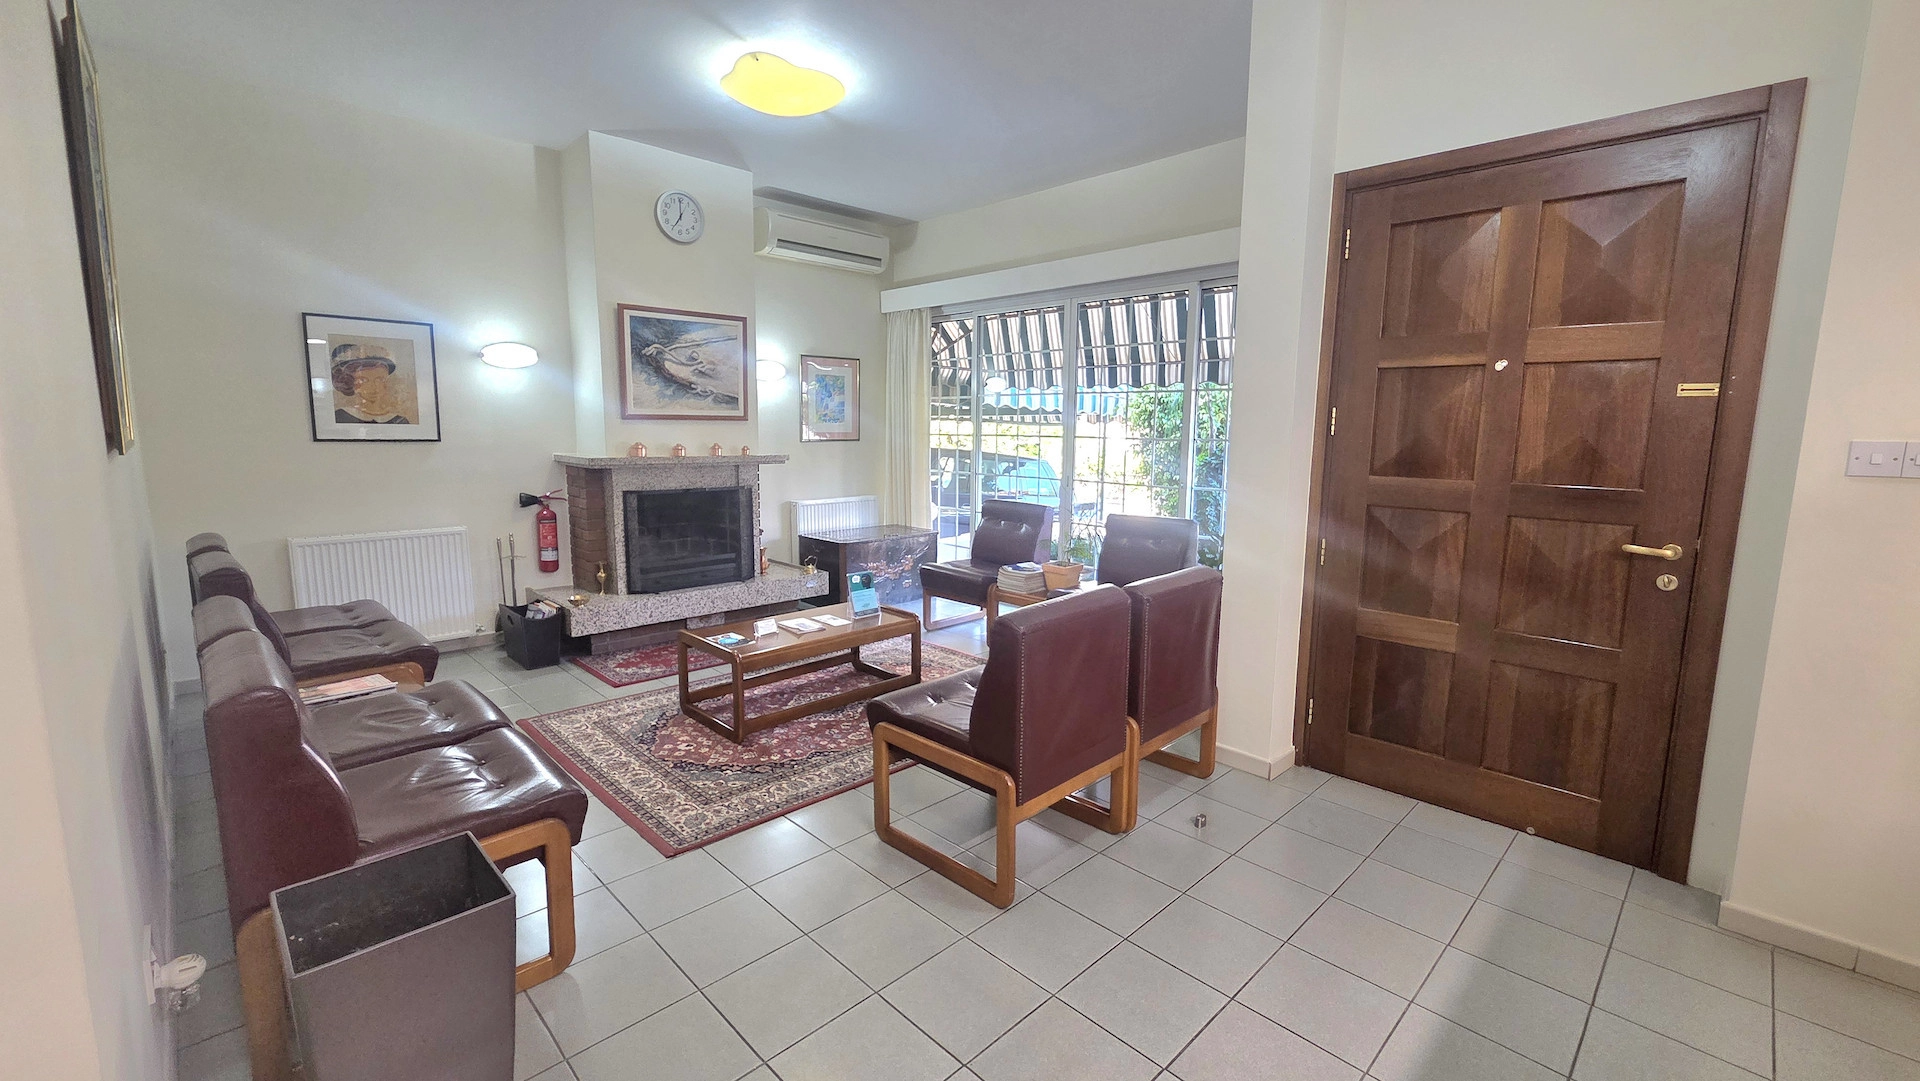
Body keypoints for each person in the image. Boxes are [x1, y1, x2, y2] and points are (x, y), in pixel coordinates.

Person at [329, 343, 413, 424]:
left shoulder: (400, 421)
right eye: (363, 380)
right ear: (350, 382)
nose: (373, 387)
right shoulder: (340, 417)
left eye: (379, 379)